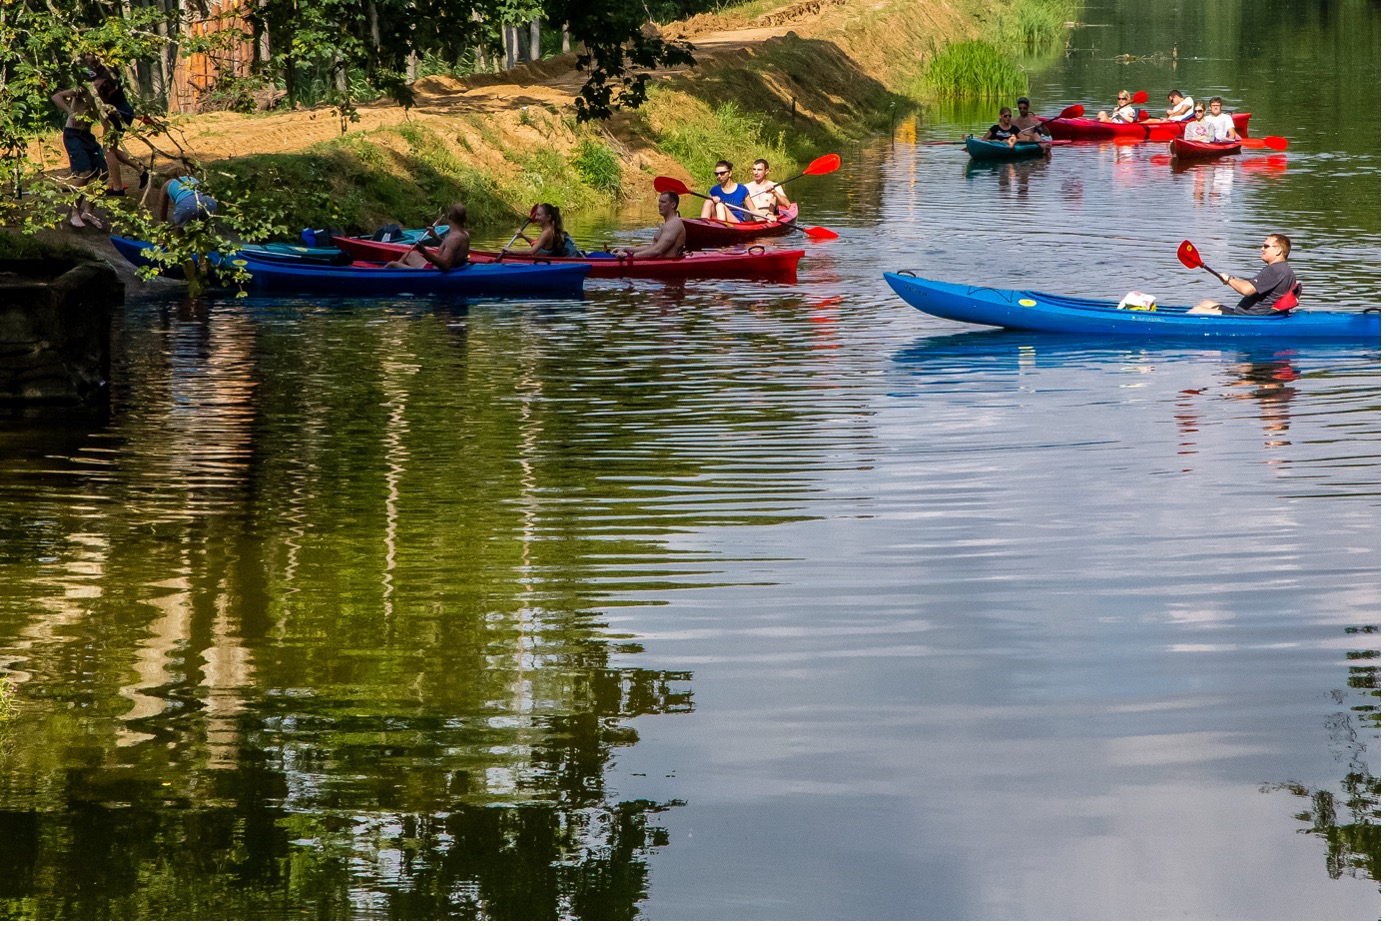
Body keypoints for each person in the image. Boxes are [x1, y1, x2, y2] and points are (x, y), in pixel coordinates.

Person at [1188, 234, 1297, 315]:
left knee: (1197, 311)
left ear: (1278, 250)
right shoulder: (1285, 270)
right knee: (1206, 303)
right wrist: (1232, 280)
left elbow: (1246, 290)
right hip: (1244, 314)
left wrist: (1230, 279)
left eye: (1266, 246)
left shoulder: (1275, 270)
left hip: (1249, 317)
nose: (1262, 249)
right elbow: (1250, 285)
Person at [87, 57, 147, 196]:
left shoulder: (108, 69)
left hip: (118, 111)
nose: (85, 57)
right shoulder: (96, 70)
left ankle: (118, 187)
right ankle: (141, 169)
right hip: (114, 111)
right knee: (110, 149)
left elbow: (96, 87)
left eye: (88, 54)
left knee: (108, 150)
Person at [51, 82, 105, 228]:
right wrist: (70, 111)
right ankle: (74, 211)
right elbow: (56, 96)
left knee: (103, 173)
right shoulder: (82, 89)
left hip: (88, 136)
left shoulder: (104, 95)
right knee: (85, 172)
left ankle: (88, 212)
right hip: (73, 135)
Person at [386, 203, 470, 269]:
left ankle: (385, 275)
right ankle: (401, 275)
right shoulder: (464, 234)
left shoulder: (453, 238)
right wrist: (435, 236)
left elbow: (445, 265)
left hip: (435, 272)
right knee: (410, 254)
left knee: (392, 264)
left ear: (449, 216)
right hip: (446, 269)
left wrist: (424, 251)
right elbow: (450, 248)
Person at [614, 191, 685, 260]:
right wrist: (626, 249)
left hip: (664, 268)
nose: (659, 205)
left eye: (663, 202)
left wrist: (629, 256)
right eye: (659, 201)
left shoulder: (674, 224)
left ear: (673, 204)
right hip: (657, 265)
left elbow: (657, 250)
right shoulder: (668, 224)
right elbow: (652, 247)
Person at [500, 203, 579, 258]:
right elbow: (537, 244)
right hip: (539, 258)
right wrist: (523, 236)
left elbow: (531, 251)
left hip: (540, 262)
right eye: (536, 214)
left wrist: (510, 250)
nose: (536, 218)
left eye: (539, 215)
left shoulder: (546, 233)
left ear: (548, 217)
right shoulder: (551, 229)